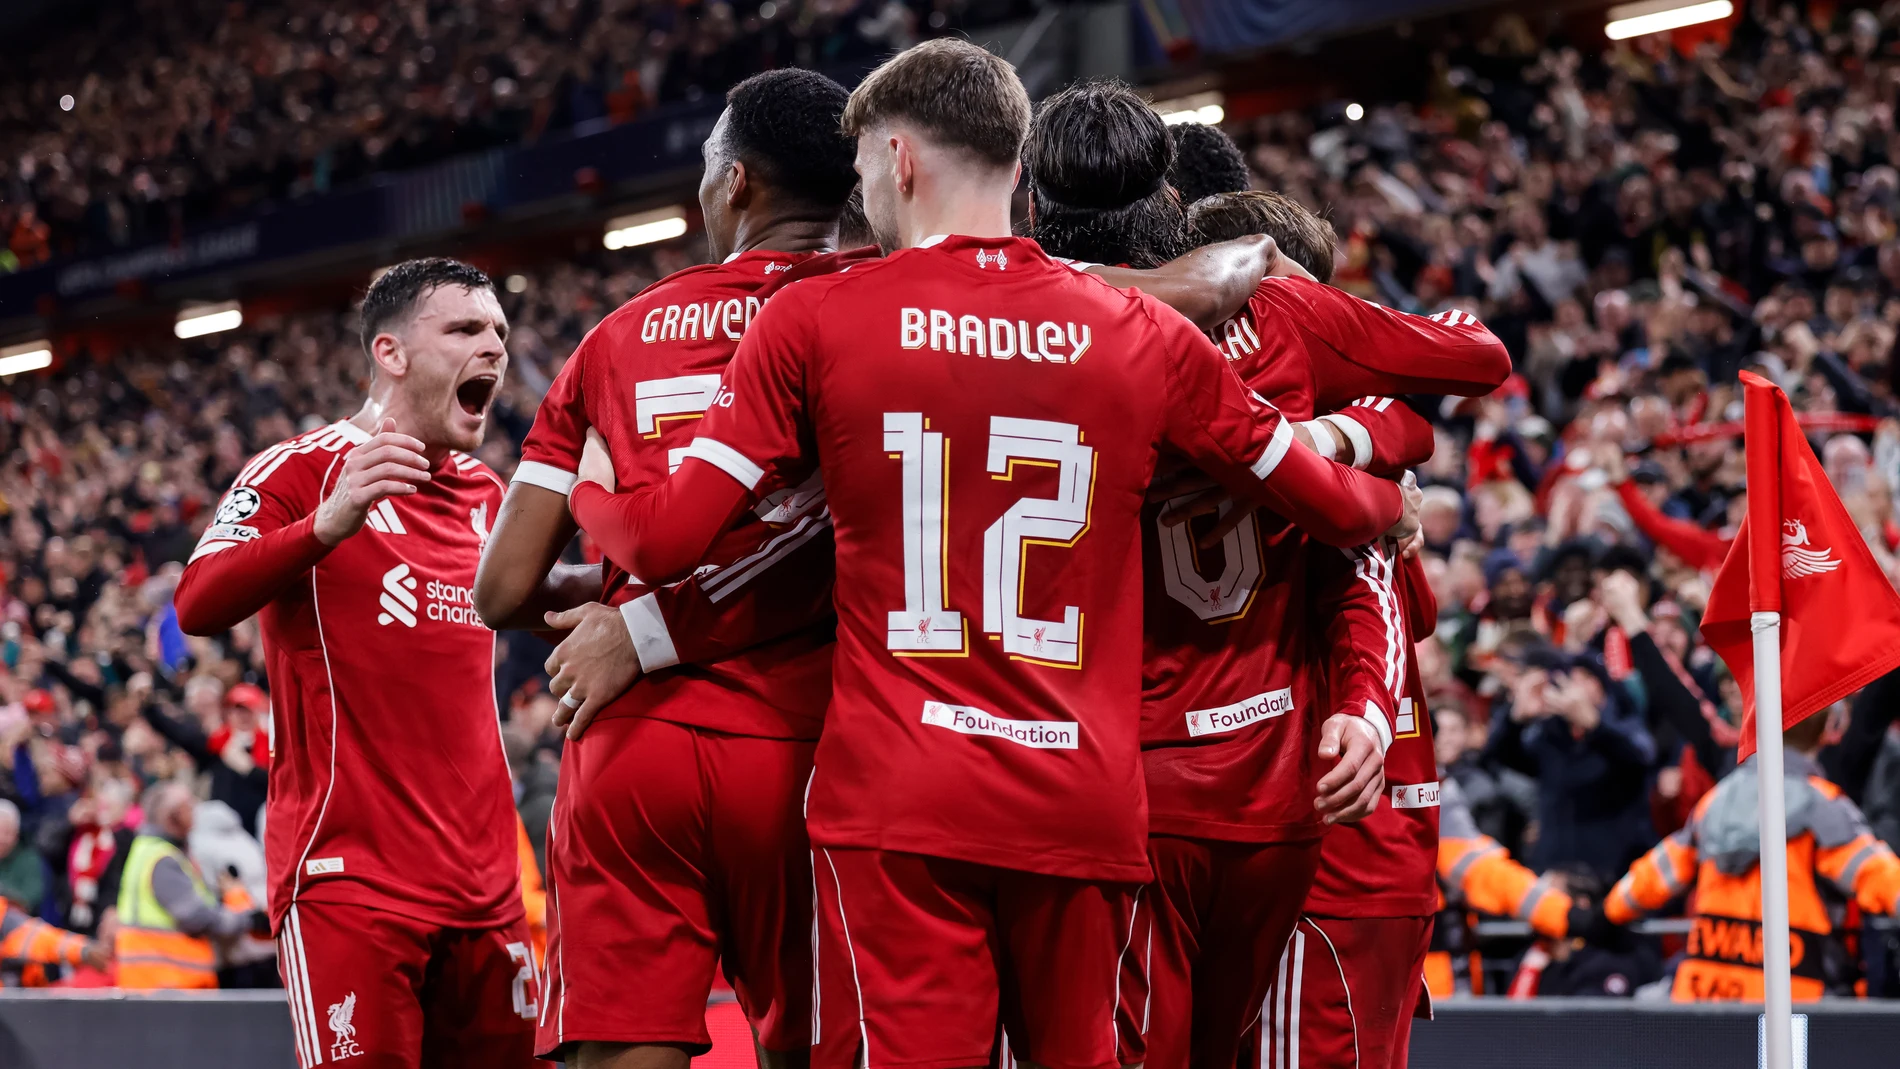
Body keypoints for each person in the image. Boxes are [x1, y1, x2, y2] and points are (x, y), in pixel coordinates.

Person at [563, 39, 1413, 1069]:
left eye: (868, 169)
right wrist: (1380, 465)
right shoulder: (1131, 328)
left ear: (899, 160)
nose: (861, 194)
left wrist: (593, 485)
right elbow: (1331, 502)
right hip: (1081, 793)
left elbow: (665, 538)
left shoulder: (815, 319)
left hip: (901, 797)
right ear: (1015, 169)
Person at [1018, 81, 1450, 1069]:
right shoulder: (1309, 443)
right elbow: (1440, 398)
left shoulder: (1081, 383)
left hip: (1221, 809)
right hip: (1309, 823)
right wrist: (1365, 451)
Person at [172, 258, 537, 1067]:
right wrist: (324, 525)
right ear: (391, 353)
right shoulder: (300, 469)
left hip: (489, 891)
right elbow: (195, 601)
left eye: (500, 333)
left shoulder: (488, 492)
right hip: (353, 883)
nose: (495, 349)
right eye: (466, 329)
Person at [1605, 712, 1900, 1001]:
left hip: (1706, 997)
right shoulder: (1824, 807)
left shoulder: (1715, 802)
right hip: (1792, 1008)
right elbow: (1877, 875)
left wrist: (1608, 910)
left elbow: (1653, 877)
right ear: (1827, 731)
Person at [112, 782, 266, 989]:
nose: (195, 814)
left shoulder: (149, 850)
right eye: (189, 807)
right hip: (168, 984)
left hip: (156, 984)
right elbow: (195, 917)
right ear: (172, 817)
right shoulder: (162, 859)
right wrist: (247, 920)